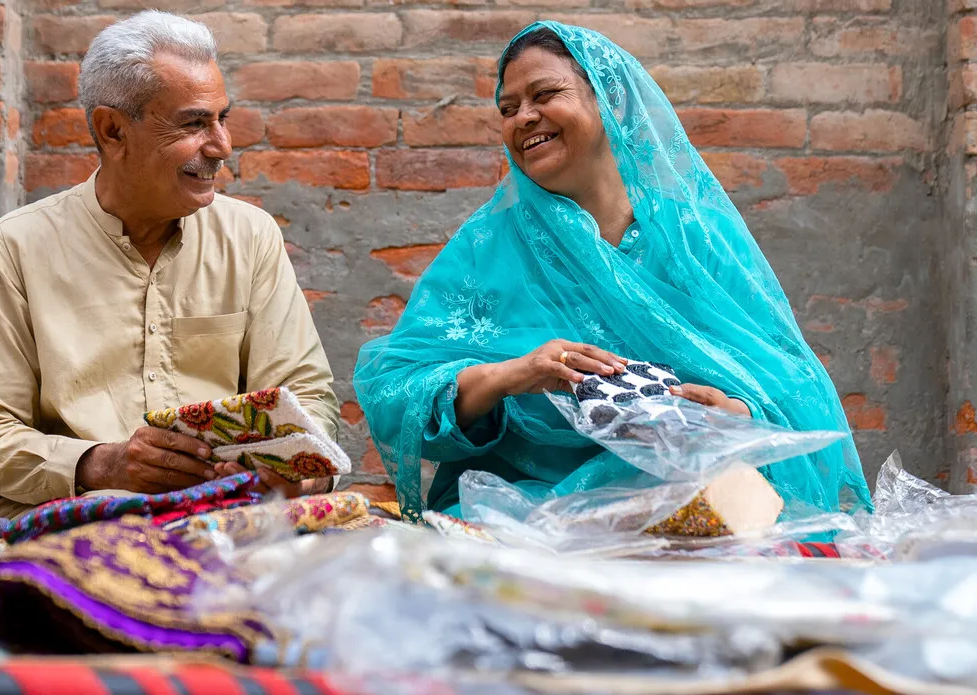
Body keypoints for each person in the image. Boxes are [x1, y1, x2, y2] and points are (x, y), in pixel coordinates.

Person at [353, 21, 872, 521]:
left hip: (692, 510)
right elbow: (393, 393)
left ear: (610, 99)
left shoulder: (695, 238)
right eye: (507, 108)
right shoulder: (485, 248)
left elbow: (791, 383)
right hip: (524, 512)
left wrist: (734, 413)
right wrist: (512, 375)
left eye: (545, 94)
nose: (523, 118)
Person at [0, 11, 339, 519]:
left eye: (223, 118)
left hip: (218, 521)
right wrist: (104, 465)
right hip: (68, 527)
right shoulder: (16, 247)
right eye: (194, 123)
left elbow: (305, 395)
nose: (222, 146)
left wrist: (295, 467)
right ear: (113, 131)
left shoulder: (250, 236)